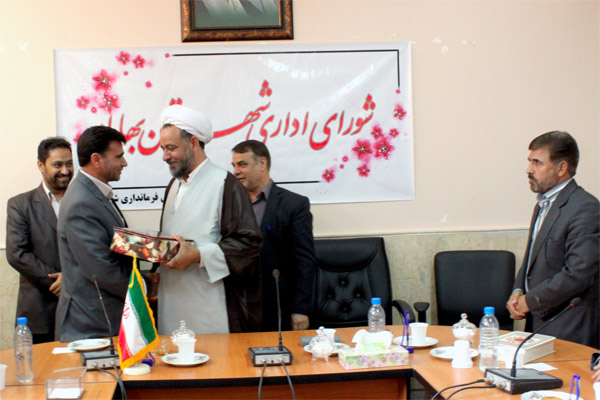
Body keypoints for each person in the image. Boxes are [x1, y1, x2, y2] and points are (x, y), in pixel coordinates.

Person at [157, 104, 262, 335]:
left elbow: (248, 245)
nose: (165, 156)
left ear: (193, 143)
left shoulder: (224, 184)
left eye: (171, 148)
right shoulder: (173, 185)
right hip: (170, 302)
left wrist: (197, 255)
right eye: (163, 149)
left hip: (208, 305)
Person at [507, 131, 599, 347]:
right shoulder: (543, 204)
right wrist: (517, 291)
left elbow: (578, 274)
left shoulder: (586, 208)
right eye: (529, 161)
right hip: (538, 322)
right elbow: (532, 258)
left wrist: (531, 301)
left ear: (561, 168)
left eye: (537, 163)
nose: (529, 169)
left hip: (568, 327)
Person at [55, 126, 132, 342]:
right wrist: (144, 286)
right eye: (119, 157)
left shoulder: (94, 192)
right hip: (90, 325)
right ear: (97, 160)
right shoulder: (81, 201)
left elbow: (114, 242)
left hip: (101, 319)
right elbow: (100, 268)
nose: (124, 163)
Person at [232, 140, 316, 331]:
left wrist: (300, 309)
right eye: (234, 165)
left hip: (276, 306)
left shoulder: (293, 205)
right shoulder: (231, 204)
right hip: (238, 305)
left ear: (262, 164)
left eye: (242, 164)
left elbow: (304, 261)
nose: (236, 171)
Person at [6, 137, 73, 343]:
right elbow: (17, 253)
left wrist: (71, 279)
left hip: (80, 309)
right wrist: (58, 281)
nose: (65, 171)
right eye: (57, 165)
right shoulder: (20, 204)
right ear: (41, 166)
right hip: (40, 310)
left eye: (69, 164)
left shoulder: (84, 201)